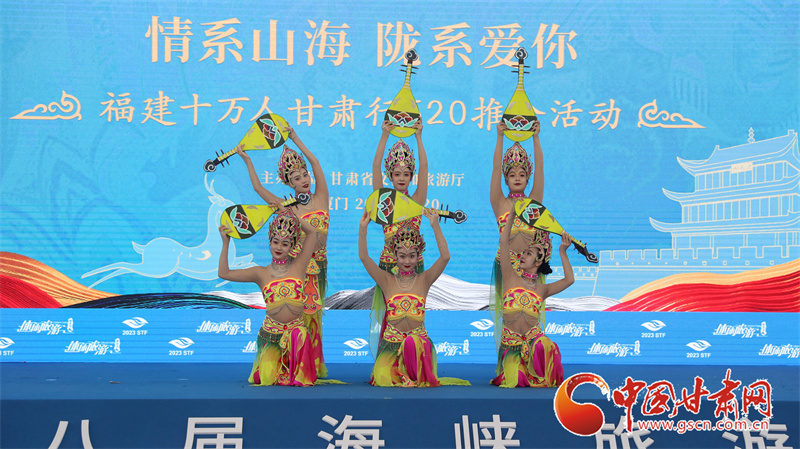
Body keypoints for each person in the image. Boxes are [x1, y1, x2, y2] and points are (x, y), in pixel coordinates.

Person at [237, 125, 330, 378]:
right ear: (289, 183)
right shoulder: (287, 207)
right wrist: (247, 160)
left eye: (305, 175)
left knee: (313, 317)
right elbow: (258, 189)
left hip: (319, 269)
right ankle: (287, 365)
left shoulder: (321, 197)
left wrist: (295, 137)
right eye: (297, 178)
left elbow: (316, 162)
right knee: (298, 317)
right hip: (297, 270)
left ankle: (308, 365)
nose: (304, 180)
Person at [358, 209, 468, 387]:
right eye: (402, 256)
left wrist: (435, 225)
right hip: (391, 348)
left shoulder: (424, 280)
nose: (407, 261)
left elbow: (445, 257)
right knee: (384, 380)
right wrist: (363, 229)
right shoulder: (386, 280)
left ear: (418, 256)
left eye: (411, 256)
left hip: (418, 350)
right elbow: (364, 258)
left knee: (411, 342)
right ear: (395, 256)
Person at [218, 208, 318, 386]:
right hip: (271, 334)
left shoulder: (299, 266)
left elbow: (312, 233)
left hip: (296, 334)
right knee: (267, 380)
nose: (279, 247)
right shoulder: (260, 273)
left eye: (285, 244)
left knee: (300, 373)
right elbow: (224, 273)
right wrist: (226, 242)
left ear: (292, 247)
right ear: (270, 242)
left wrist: (289, 213)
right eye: (275, 242)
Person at [492, 205, 574, 387]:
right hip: (512, 347)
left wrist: (563, 251)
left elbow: (569, 280)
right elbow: (504, 242)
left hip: (533, 342)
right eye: (523, 252)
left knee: (545, 345)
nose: (522, 255)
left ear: (538, 261)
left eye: (528, 253)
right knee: (518, 380)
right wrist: (512, 216)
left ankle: (536, 366)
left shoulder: (542, 289)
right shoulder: (510, 276)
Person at [371, 120, 428, 272]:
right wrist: (384, 135)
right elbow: (375, 166)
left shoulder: (416, 201)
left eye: (406, 174)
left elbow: (424, 167)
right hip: (388, 264)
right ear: (390, 176)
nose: (401, 178)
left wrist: (418, 137)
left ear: (411, 177)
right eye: (397, 174)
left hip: (414, 265)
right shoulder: (384, 201)